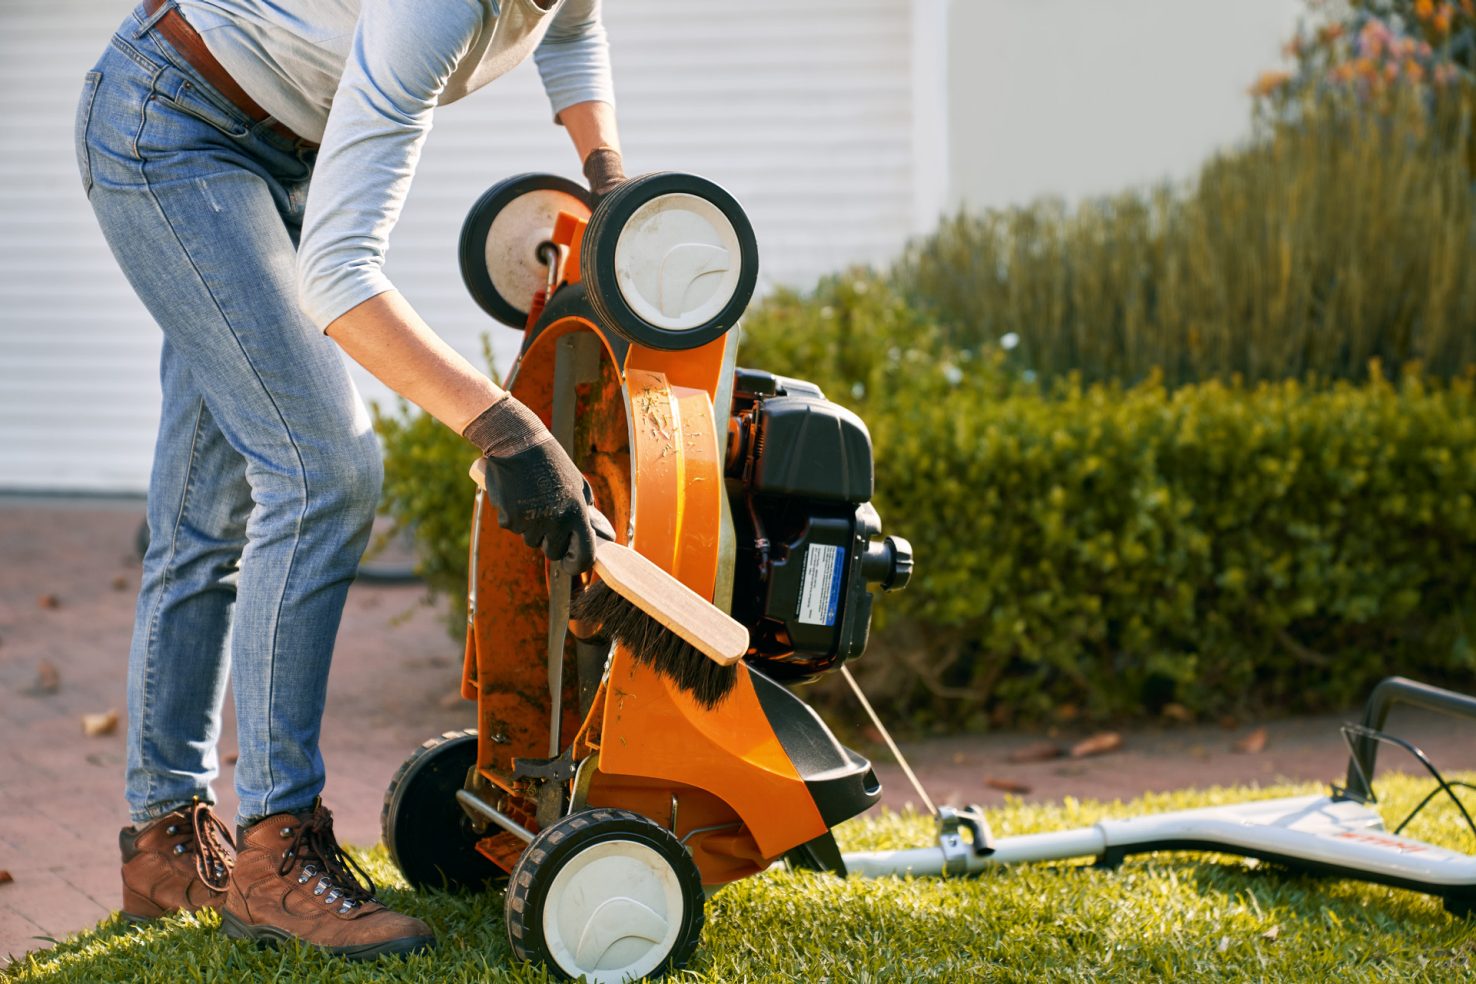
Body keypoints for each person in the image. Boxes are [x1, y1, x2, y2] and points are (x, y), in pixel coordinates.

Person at [76, 0, 622, 960]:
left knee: (208, 511)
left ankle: (166, 848)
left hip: (279, 155)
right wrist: (503, 428)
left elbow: (573, 30)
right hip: (171, 125)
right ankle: (275, 857)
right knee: (323, 467)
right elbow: (342, 275)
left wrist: (608, 174)